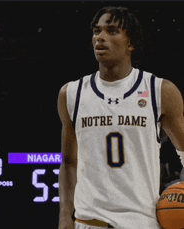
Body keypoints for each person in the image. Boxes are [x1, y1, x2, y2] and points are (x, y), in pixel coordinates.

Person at [57, 6, 184, 229]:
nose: (100, 38)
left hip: (141, 223)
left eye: (112, 31)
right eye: (97, 31)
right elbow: (68, 163)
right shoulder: (72, 94)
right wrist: (65, 217)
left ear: (130, 43)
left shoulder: (160, 90)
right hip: (89, 222)